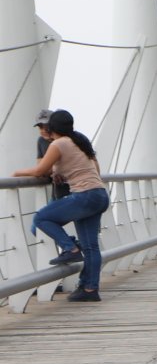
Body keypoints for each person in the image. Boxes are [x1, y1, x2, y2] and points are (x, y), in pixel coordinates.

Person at [13, 110, 111, 302]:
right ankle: (90, 290)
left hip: (84, 195)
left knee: (42, 218)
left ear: (52, 128)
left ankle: (70, 248)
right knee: (91, 247)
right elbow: (93, 169)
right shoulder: (78, 141)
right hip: (99, 194)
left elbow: (41, 170)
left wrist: (16, 173)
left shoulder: (59, 143)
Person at [34, 109, 71, 201]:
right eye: (40, 127)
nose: (43, 130)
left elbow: (43, 169)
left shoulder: (64, 140)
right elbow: (40, 166)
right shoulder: (41, 141)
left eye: (46, 126)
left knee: (42, 215)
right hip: (57, 192)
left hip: (73, 191)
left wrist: (16, 174)